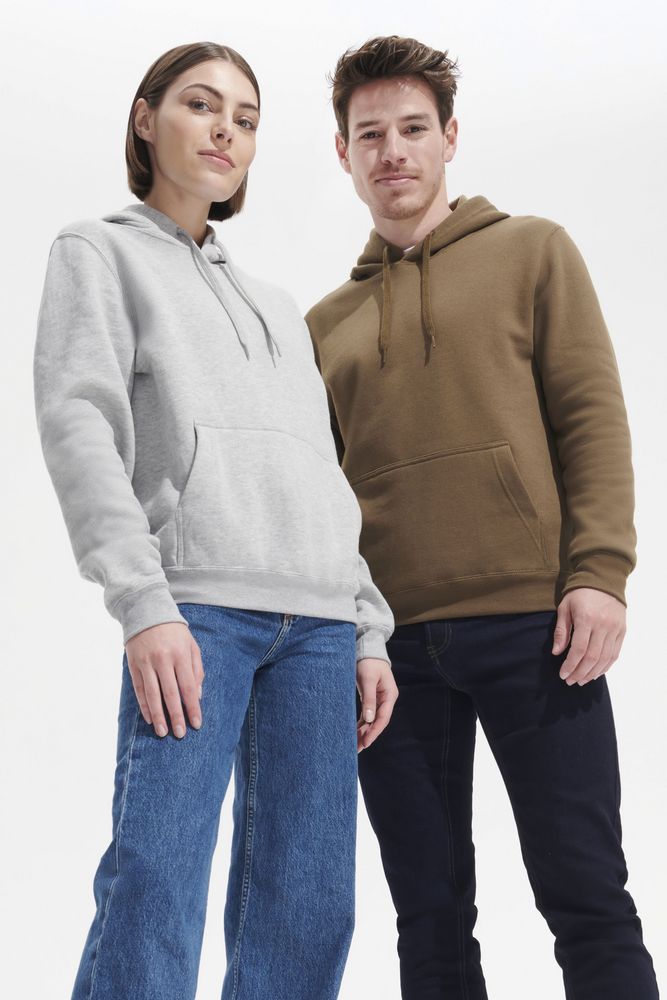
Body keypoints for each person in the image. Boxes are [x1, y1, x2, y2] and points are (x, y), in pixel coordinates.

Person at [32, 40, 397, 1000]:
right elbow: (79, 430)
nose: (225, 129)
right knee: (155, 887)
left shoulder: (276, 306)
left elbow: (321, 474)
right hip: (196, 614)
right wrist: (142, 603)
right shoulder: (98, 251)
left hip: (320, 630)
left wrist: (366, 625)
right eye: (200, 104)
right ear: (145, 119)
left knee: (308, 908)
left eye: (245, 117)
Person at [305, 34, 659, 1000]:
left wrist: (598, 575)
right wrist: (347, 636)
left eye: (412, 128)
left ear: (449, 137)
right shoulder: (324, 325)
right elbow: (322, 497)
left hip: (535, 627)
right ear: (342, 153)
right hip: (389, 654)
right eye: (369, 134)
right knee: (427, 922)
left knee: (586, 896)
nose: (392, 151)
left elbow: (590, 418)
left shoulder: (531, 251)